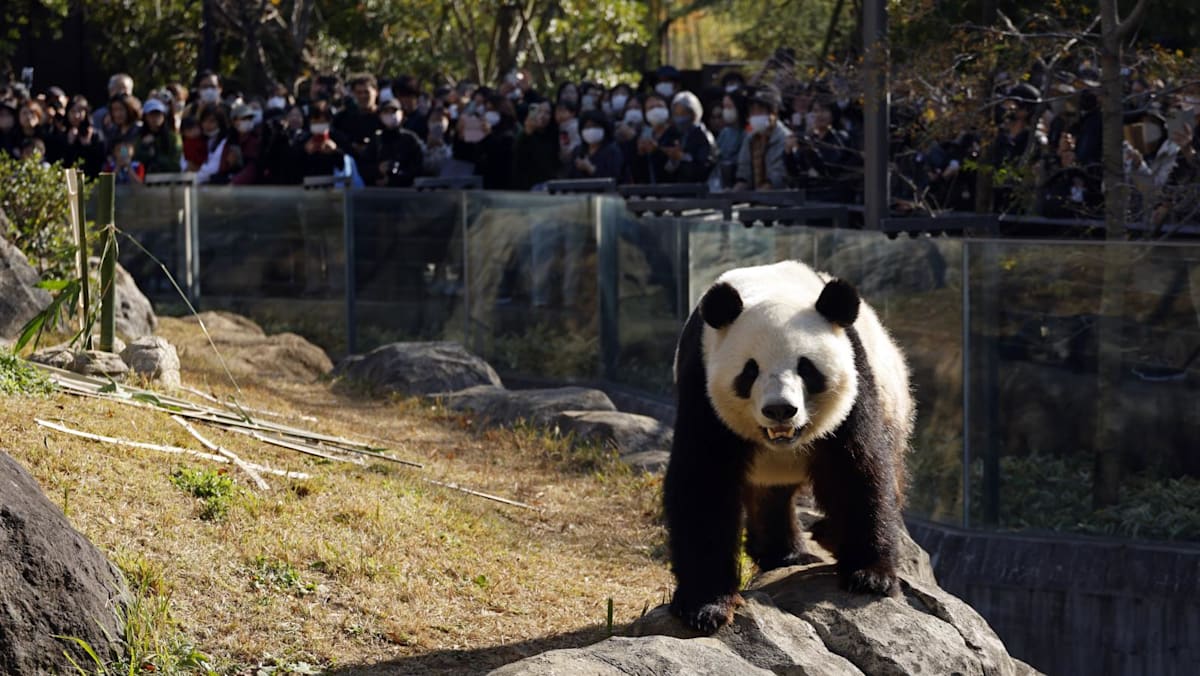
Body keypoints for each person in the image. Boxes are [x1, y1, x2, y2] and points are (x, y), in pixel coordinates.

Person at [452, 94, 516, 189]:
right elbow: (463, 154)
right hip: (479, 181)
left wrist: (488, 136)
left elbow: (501, 155)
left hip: (499, 183)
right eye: (487, 110)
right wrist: (459, 135)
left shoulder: (510, 132)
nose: (489, 114)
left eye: (493, 110)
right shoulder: (480, 128)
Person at [735, 85, 791, 191]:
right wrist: (735, 192)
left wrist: (759, 194)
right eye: (752, 111)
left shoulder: (784, 137)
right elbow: (744, 171)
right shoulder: (750, 137)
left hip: (780, 197)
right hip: (754, 197)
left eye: (760, 110)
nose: (756, 115)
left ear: (773, 113)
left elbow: (779, 175)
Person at [361, 97, 424, 187]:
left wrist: (396, 178)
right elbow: (364, 168)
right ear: (380, 116)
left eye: (393, 111)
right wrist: (378, 169)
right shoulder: (376, 139)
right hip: (378, 192)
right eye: (386, 112)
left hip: (405, 191)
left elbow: (417, 168)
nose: (390, 115)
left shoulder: (410, 139)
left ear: (401, 113)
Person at [665, 90, 716, 183]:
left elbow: (704, 165)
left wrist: (682, 157)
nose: (680, 118)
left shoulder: (703, 136)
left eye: (684, 113)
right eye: (676, 114)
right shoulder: (675, 134)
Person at [630, 93, 681, 184]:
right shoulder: (643, 136)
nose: (656, 110)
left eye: (659, 106)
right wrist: (640, 154)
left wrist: (657, 151)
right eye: (651, 108)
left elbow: (674, 167)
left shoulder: (677, 133)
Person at [513, 99, 561, 188]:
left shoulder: (554, 136)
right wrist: (527, 132)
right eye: (539, 111)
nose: (543, 116)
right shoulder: (523, 136)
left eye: (547, 112)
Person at [567, 110, 624, 181]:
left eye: (595, 126)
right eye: (587, 127)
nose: (591, 130)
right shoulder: (578, 151)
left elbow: (614, 178)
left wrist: (590, 168)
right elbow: (570, 177)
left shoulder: (612, 151)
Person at [58, 96, 105, 175]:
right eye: (73, 111)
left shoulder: (95, 135)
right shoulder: (62, 135)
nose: (76, 115)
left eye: (80, 111)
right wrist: (69, 143)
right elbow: (60, 163)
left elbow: (99, 162)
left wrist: (87, 146)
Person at [135, 98, 183, 175]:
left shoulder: (173, 138)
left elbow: (176, 164)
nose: (155, 118)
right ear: (145, 117)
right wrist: (144, 147)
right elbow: (134, 159)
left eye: (158, 114)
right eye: (151, 115)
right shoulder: (139, 137)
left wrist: (156, 156)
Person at [715, 92, 747, 189]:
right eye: (724, 107)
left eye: (729, 107)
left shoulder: (748, 132)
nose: (726, 111)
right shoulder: (725, 133)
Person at [229, 103, 264, 184]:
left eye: (250, 118)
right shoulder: (228, 140)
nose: (248, 121)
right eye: (244, 118)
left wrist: (234, 183)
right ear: (233, 121)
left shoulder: (255, 140)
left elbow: (252, 167)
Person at [102, 94, 142, 161]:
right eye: (114, 110)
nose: (117, 114)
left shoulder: (140, 129)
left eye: (121, 109)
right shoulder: (112, 131)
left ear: (130, 109)